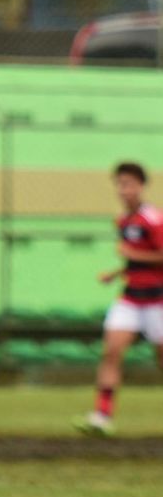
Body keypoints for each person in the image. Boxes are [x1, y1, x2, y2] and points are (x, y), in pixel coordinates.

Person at [76, 162, 163, 436]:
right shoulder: (123, 220)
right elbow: (134, 259)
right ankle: (101, 416)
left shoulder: (153, 219)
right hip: (130, 298)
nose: (123, 190)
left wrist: (134, 257)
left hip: (157, 300)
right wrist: (116, 273)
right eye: (120, 184)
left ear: (140, 186)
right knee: (111, 351)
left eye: (128, 184)